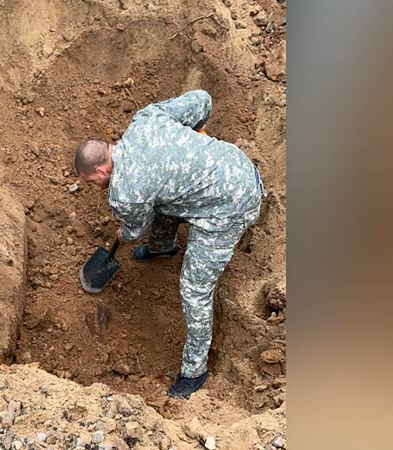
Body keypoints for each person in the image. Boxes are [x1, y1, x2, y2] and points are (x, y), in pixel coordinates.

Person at [74, 90, 266, 399]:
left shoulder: (124, 190)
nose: (94, 187)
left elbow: (136, 229)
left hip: (230, 206)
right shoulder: (145, 120)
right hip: (238, 164)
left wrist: (125, 233)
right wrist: (195, 139)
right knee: (164, 199)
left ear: (101, 170)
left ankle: (194, 372)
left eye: (91, 182)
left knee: (194, 289)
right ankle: (163, 247)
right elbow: (203, 99)